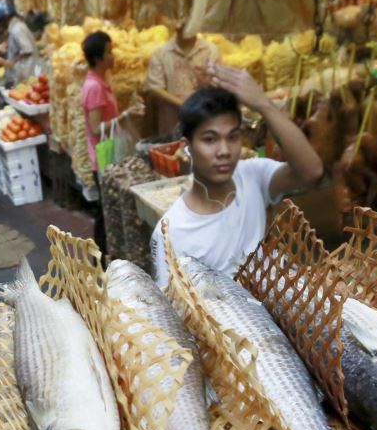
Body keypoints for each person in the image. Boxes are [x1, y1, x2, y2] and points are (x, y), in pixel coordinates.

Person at [149, 80, 325, 289]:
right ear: (187, 147)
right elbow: (170, 303)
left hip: (269, 301)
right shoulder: (171, 232)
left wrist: (263, 105)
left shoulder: (252, 175)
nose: (224, 151)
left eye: (232, 137)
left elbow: (312, 171)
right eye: (210, 139)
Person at [81, 31, 145, 251]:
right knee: (105, 210)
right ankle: (100, 255)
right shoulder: (94, 87)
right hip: (103, 155)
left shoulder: (99, 81)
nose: (113, 55)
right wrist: (124, 117)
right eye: (109, 52)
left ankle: (104, 253)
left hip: (105, 154)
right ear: (98, 58)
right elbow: (95, 128)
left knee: (107, 208)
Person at [145, 32, 223, 137]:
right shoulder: (161, 53)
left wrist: (206, 81)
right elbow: (155, 88)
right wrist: (184, 104)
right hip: (172, 123)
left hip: (203, 120)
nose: (183, 24)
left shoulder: (210, 51)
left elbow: (218, 85)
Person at [0, 0, 37, 81]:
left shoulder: (17, 29)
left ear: (4, 19)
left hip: (26, 74)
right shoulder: (16, 27)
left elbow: (27, 49)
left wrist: (6, 62)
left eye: (0, 22)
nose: (0, 25)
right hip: (24, 74)